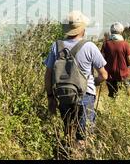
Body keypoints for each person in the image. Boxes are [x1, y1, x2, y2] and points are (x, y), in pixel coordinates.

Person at [44, 11, 108, 144]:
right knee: (83, 135)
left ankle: (67, 151)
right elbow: (104, 75)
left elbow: (48, 74)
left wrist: (50, 98)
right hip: (85, 95)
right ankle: (78, 155)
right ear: (82, 29)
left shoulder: (56, 46)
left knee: (67, 130)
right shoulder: (89, 46)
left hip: (63, 95)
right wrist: (94, 82)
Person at [101, 22, 130, 98]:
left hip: (110, 74)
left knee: (113, 95)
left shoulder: (105, 44)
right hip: (123, 74)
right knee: (129, 94)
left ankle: (113, 108)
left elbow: (101, 60)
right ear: (121, 32)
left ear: (111, 31)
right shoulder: (124, 44)